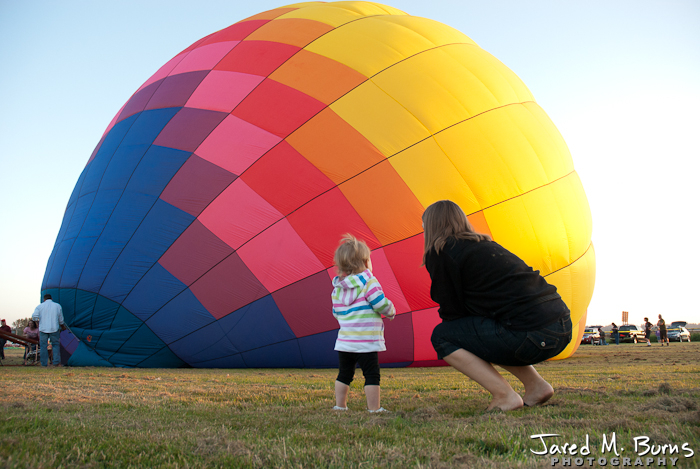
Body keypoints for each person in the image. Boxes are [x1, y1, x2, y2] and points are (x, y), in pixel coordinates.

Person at [422, 200, 572, 411]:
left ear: (431, 225)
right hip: (562, 325)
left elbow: (451, 310)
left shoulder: (442, 252)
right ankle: (536, 386)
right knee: (485, 330)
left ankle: (505, 396)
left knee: (443, 336)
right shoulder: (486, 245)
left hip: (532, 334)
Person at [331, 234, 396, 413]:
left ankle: (340, 405)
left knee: (344, 374)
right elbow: (379, 303)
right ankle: (374, 408)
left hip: (345, 342)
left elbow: (336, 312)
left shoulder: (337, 288)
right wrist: (390, 311)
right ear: (365, 262)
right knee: (371, 374)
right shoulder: (369, 282)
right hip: (366, 342)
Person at [32, 294, 66, 367]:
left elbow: (34, 316)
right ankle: (56, 362)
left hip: (43, 329)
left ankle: (44, 363)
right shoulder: (57, 306)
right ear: (51, 298)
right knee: (55, 345)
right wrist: (62, 326)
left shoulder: (39, 306)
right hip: (54, 328)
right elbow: (61, 319)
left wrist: (37, 322)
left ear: (44, 299)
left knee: (43, 346)